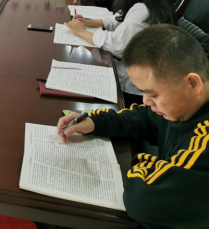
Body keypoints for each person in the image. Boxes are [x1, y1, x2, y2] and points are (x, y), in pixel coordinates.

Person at [57, 25, 209, 229]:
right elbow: (144, 117)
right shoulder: (183, 105)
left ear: (193, 84)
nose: (146, 101)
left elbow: (144, 202)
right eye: (143, 92)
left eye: (153, 94)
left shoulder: (204, 139)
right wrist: (94, 121)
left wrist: (142, 163)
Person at [66, 0, 176, 58]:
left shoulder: (142, 11)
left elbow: (115, 45)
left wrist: (82, 32)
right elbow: (115, 20)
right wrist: (87, 22)